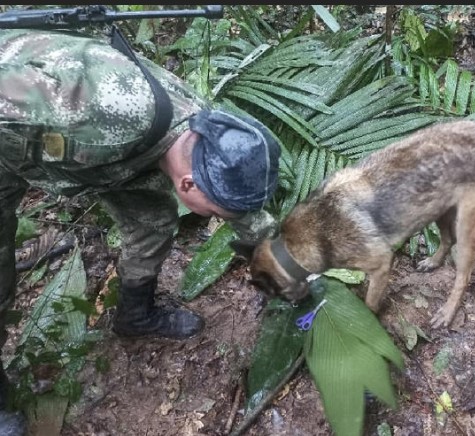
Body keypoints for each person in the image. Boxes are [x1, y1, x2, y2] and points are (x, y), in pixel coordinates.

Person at [0, 28, 280, 435]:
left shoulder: (205, 133)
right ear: (188, 185)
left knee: (153, 223)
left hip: (105, 161)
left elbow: (245, 213)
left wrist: (285, 264)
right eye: (218, 213)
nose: (222, 218)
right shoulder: (95, 113)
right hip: (12, 135)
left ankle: (135, 316)